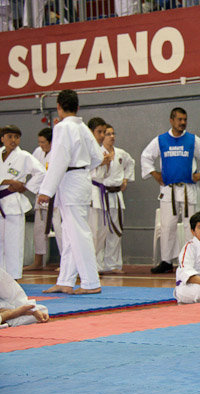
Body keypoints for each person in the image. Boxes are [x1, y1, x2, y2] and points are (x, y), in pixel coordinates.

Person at [37, 89, 105, 295]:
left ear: (58, 107)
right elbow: (98, 157)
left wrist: (46, 190)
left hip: (71, 182)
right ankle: (65, 280)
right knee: (69, 234)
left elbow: (59, 159)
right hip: (79, 179)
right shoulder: (83, 127)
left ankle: (91, 282)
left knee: (78, 233)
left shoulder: (62, 127)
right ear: (77, 107)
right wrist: (81, 168)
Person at [141, 107, 200, 274]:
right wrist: (154, 173)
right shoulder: (161, 140)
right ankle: (167, 261)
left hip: (189, 189)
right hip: (169, 190)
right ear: (171, 120)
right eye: (179, 119)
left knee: (192, 226)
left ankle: (192, 260)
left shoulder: (192, 140)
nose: (183, 123)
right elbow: (146, 156)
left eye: (185, 120)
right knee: (167, 226)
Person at [0, 125, 46, 280]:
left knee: (14, 242)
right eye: (9, 137)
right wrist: (8, 181)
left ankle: (13, 277)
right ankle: (1, 278)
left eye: (16, 137)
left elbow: (41, 172)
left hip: (13, 202)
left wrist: (25, 187)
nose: (13, 140)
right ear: (2, 138)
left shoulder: (24, 156)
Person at [96, 124, 135, 274]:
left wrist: (125, 179)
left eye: (113, 134)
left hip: (117, 195)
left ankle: (113, 264)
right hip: (101, 194)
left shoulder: (121, 153)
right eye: (108, 134)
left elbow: (131, 163)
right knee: (100, 231)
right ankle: (98, 265)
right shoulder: (97, 153)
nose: (112, 137)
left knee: (116, 230)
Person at [24, 127, 64, 271]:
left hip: (55, 196)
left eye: (43, 142)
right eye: (39, 142)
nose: (41, 145)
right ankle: (38, 261)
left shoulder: (59, 153)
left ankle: (65, 262)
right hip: (40, 194)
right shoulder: (37, 152)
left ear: (51, 142)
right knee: (39, 230)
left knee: (59, 230)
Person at [86, 117, 112, 273]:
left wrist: (106, 164)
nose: (102, 135)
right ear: (91, 132)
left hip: (101, 192)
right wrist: (100, 162)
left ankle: (97, 263)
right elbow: (82, 169)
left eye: (104, 132)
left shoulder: (103, 151)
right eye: (99, 132)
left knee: (102, 231)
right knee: (92, 231)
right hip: (90, 191)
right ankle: (88, 265)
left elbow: (106, 175)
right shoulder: (86, 149)